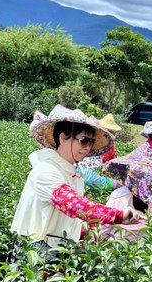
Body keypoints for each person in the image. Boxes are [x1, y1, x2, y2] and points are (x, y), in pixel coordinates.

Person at [10, 105, 141, 260]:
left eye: (91, 142)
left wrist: (90, 230)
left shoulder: (72, 175)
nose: (87, 147)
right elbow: (73, 204)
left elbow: (73, 216)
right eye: (83, 140)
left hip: (58, 249)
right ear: (63, 137)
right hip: (34, 251)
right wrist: (117, 215)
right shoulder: (46, 170)